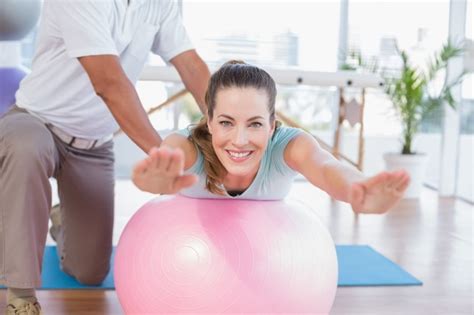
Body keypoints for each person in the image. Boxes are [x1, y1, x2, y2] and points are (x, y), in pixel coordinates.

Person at [0, 0, 210, 313]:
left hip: (93, 144)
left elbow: (191, 64)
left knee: (90, 272)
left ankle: (61, 222)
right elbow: (108, 82)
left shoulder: (160, 4)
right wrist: (163, 155)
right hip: (35, 121)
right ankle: (21, 295)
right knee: (24, 148)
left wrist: (225, 122)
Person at [133, 60, 410, 216]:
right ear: (209, 122)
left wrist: (357, 190)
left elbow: (326, 168)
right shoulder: (188, 146)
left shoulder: (288, 146)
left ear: (272, 125)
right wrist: (153, 180)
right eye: (226, 123)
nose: (240, 140)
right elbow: (169, 155)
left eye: (254, 124)